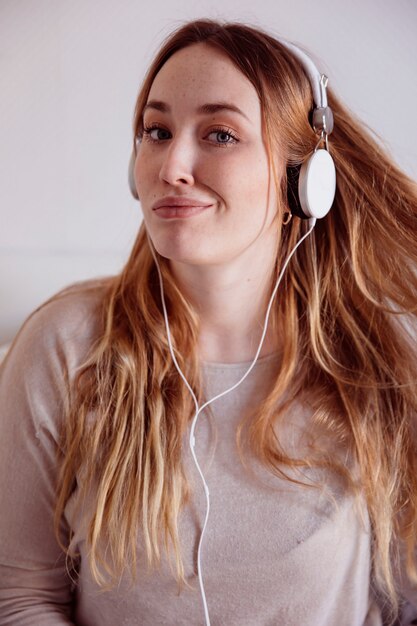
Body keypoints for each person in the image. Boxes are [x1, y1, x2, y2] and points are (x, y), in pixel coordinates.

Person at [0, 17, 416, 626]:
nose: (172, 166)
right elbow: (22, 597)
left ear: (305, 179)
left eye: (220, 134)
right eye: (157, 131)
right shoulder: (65, 346)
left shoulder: (379, 361)